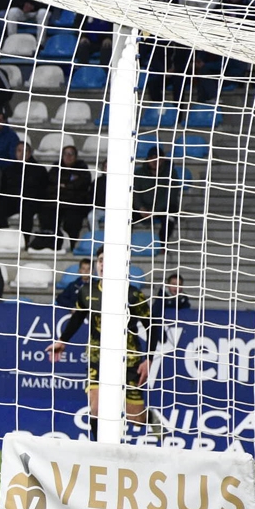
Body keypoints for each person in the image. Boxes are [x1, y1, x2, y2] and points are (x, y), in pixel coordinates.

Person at [48, 252, 168, 441]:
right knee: (97, 408)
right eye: (100, 260)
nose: (103, 264)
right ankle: (99, 450)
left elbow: (151, 326)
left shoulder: (133, 294)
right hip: (98, 358)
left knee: (136, 418)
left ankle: (149, 417)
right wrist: (62, 340)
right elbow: (78, 317)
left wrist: (149, 358)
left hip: (128, 360)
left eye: (108, 260)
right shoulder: (87, 291)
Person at [54, 145, 94, 247]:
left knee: (72, 220)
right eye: (65, 154)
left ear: (76, 156)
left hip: (76, 203)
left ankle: (71, 245)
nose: (68, 156)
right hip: (58, 202)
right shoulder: (56, 167)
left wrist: (65, 185)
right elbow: (52, 182)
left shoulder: (82, 168)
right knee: (48, 214)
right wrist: (70, 184)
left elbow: (82, 183)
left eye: (71, 154)